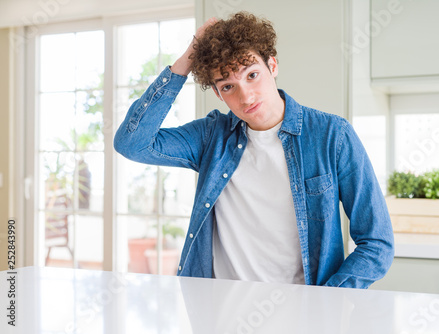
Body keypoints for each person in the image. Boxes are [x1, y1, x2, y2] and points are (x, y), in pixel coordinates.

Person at [114, 12, 394, 288]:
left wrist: (330, 300)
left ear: (272, 66)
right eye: (228, 86)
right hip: (219, 311)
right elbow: (132, 143)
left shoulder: (333, 135)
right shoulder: (211, 136)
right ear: (217, 93)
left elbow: (376, 243)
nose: (245, 96)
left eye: (252, 75)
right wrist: (189, 57)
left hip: (304, 313)